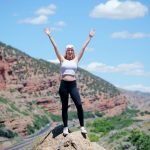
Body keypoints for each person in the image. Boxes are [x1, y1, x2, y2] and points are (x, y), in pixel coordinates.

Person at [44, 27, 95, 136]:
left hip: (72, 85)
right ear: (66, 51)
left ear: (73, 51)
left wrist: (89, 37)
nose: (70, 51)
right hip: (63, 85)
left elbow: (83, 48)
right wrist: (50, 35)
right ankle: (65, 127)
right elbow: (55, 47)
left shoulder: (76, 59)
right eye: (68, 50)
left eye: (71, 50)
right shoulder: (62, 59)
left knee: (79, 104)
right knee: (64, 107)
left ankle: (82, 126)